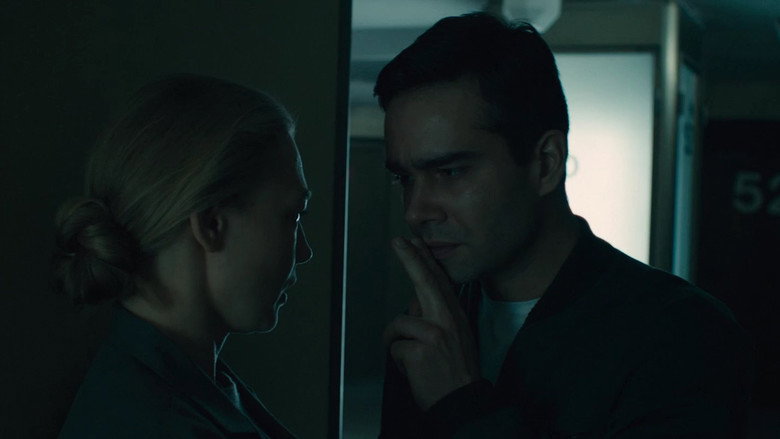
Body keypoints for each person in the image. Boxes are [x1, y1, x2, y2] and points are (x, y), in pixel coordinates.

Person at [375, 13, 753, 438]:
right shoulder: (432, 324)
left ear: (546, 163)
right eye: (404, 178)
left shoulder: (680, 334)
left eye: (450, 172)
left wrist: (460, 403)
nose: (416, 211)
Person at [52, 74, 312, 438]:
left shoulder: (186, 385)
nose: (304, 251)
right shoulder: (159, 422)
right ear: (210, 224)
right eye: (292, 217)